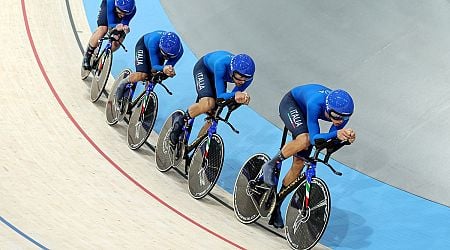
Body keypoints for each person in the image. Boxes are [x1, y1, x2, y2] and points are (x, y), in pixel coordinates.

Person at [262, 83, 356, 229]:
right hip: (292, 104)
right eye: (336, 116)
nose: (339, 121)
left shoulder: (342, 114)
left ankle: (276, 205)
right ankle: (271, 163)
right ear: (329, 109)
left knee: (299, 163)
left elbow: (328, 143)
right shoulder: (316, 103)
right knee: (305, 139)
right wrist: (337, 133)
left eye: (344, 118)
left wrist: (344, 140)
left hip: (306, 113)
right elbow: (313, 139)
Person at [169, 51, 255, 146]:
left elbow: (231, 98)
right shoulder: (221, 65)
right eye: (239, 77)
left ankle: (198, 148)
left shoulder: (247, 78)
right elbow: (221, 96)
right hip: (204, 69)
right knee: (208, 104)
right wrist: (236, 94)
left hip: (219, 77)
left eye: (246, 78)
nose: (242, 81)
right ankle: (180, 120)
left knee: (215, 115)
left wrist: (238, 100)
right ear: (231, 70)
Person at [115, 31, 184, 107]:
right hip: (144, 46)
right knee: (142, 74)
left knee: (155, 78)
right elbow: (155, 66)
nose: (166, 58)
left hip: (158, 51)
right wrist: (163, 68)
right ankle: (123, 83)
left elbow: (167, 68)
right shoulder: (153, 41)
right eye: (165, 55)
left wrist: (168, 72)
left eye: (168, 56)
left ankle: (144, 101)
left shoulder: (179, 52)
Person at [82, 0, 137, 70]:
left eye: (125, 13)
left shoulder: (132, 10)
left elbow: (125, 23)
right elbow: (111, 25)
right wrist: (116, 27)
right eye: (121, 12)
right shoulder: (111, 2)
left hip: (120, 9)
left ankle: (104, 57)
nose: (123, 15)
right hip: (108, 7)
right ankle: (88, 54)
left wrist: (125, 28)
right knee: (103, 29)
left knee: (118, 40)